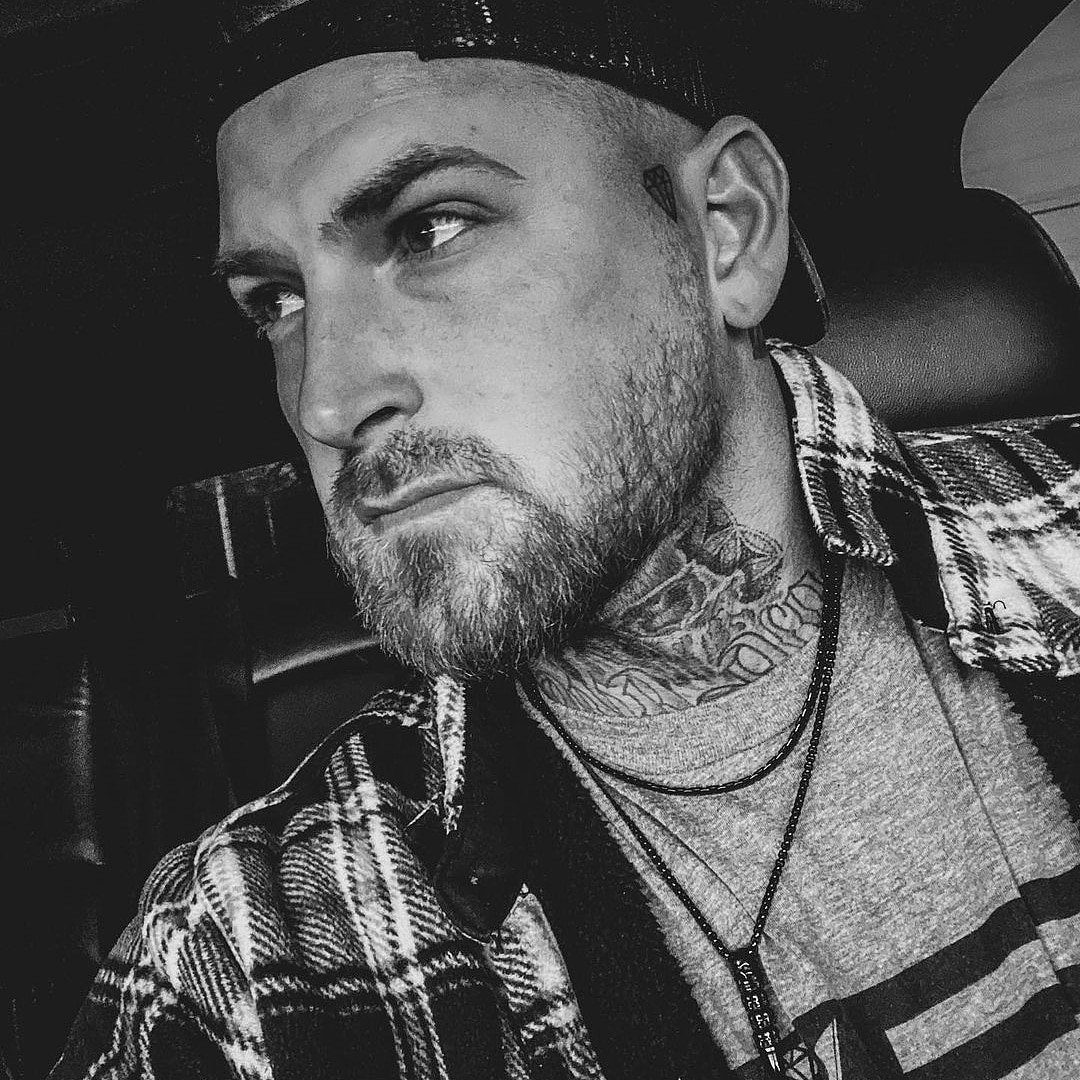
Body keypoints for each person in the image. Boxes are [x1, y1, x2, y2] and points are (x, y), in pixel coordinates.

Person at [52, 1, 1080, 1077]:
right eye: (277, 300)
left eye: (430, 229)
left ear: (725, 229)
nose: (328, 400)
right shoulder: (248, 970)